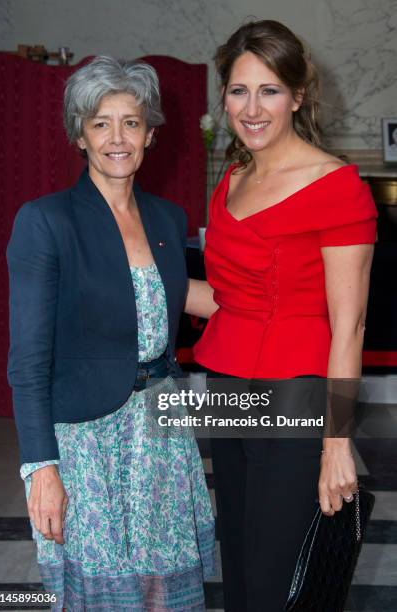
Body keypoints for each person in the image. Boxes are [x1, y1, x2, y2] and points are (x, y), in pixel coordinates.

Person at [7, 56, 214, 611]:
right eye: (101, 123)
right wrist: (40, 468)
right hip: (86, 441)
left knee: (159, 593)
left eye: (131, 122)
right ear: (80, 134)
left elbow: (180, 296)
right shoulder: (46, 220)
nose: (117, 138)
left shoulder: (167, 218)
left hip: (160, 431)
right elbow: (27, 363)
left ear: (150, 133)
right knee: (101, 593)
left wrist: (301, 298)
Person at [184, 20, 377, 612]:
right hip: (225, 392)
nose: (252, 107)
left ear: (297, 96)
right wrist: (132, 280)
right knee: (238, 567)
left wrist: (337, 443)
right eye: (239, 90)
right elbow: (228, 301)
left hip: (293, 399)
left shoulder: (337, 186)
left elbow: (349, 324)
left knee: (276, 583)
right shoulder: (233, 180)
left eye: (269, 90)